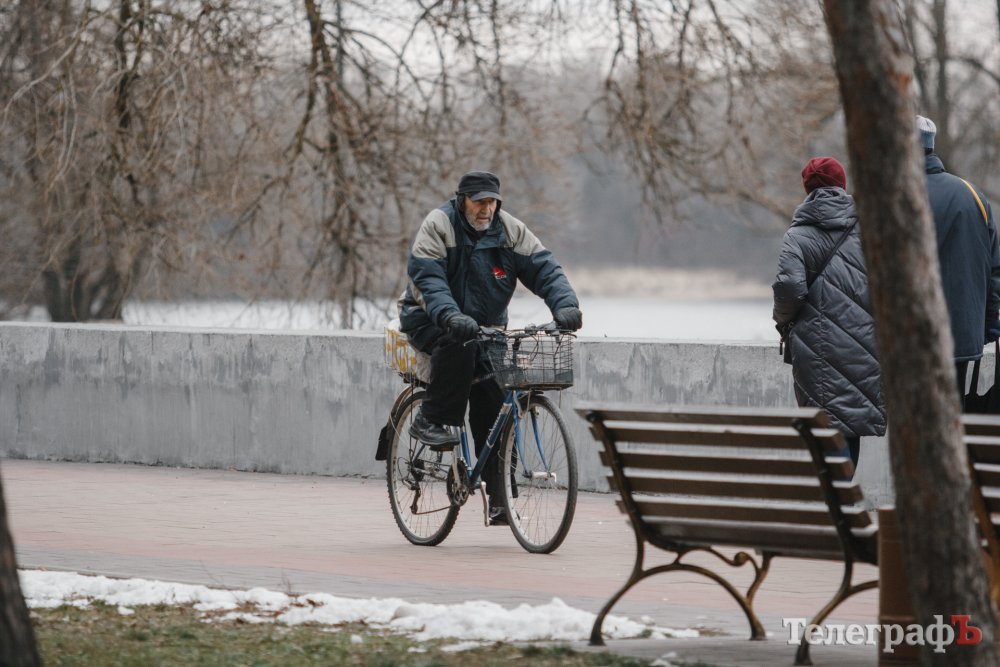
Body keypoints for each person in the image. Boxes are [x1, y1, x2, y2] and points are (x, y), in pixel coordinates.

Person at [397, 170, 582, 524]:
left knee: (496, 399)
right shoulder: (439, 225)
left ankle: (500, 498)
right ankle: (429, 418)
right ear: (462, 200)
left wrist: (565, 306)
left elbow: (545, 269)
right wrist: (450, 315)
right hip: (429, 318)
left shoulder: (510, 231)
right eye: (479, 201)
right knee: (459, 346)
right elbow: (429, 280)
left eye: (492, 202)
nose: (486, 209)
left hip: (486, 328)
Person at [772, 157, 886, 468]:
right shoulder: (869, 231)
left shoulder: (797, 235)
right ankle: (843, 492)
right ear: (842, 185)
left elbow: (789, 288)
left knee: (825, 426)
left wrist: (782, 321)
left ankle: (835, 493)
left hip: (815, 348)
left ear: (807, 189)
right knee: (850, 425)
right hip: (863, 345)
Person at [917, 115, 1000, 407]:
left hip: (909, 335)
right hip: (962, 334)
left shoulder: (894, 198)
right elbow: (994, 272)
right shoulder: (973, 195)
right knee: (952, 409)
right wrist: (986, 328)